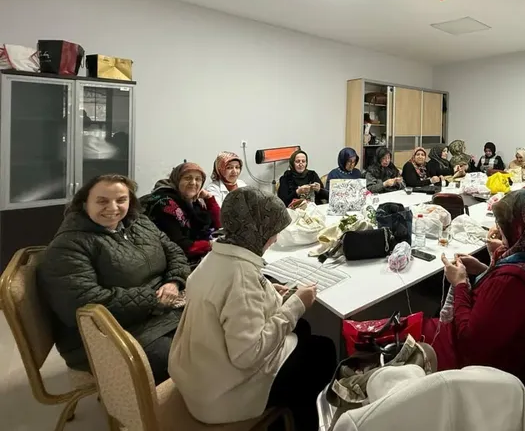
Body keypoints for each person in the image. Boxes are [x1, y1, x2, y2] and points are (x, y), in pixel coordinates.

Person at [169, 187, 336, 430]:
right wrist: (296, 305)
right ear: (256, 231)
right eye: (272, 232)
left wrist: (267, 291)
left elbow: (232, 300)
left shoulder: (215, 256)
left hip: (197, 371)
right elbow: (248, 354)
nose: (275, 238)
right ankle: (301, 422)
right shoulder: (240, 276)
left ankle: (291, 411)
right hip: (221, 394)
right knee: (322, 351)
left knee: (302, 329)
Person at [38, 175, 190, 385]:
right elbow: (83, 303)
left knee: (208, 336)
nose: (113, 208)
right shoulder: (68, 245)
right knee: (181, 359)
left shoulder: (140, 223)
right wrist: (154, 299)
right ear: (84, 203)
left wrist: (173, 282)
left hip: (159, 313)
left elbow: (174, 251)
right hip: (105, 334)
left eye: (121, 200)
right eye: (102, 201)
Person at [423, 188, 525, 382]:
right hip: (512, 356)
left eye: (505, 229)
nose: (501, 236)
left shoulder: (512, 281)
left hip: (474, 371)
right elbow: (505, 306)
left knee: (405, 330)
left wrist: (460, 283)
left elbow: (469, 340)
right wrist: (483, 269)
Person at [141, 163, 221, 263]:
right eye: (188, 178)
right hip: (169, 261)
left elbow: (219, 225)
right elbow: (180, 245)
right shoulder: (165, 203)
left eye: (198, 179)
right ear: (177, 180)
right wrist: (211, 245)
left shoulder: (192, 201)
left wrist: (209, 198)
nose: (193, 183)